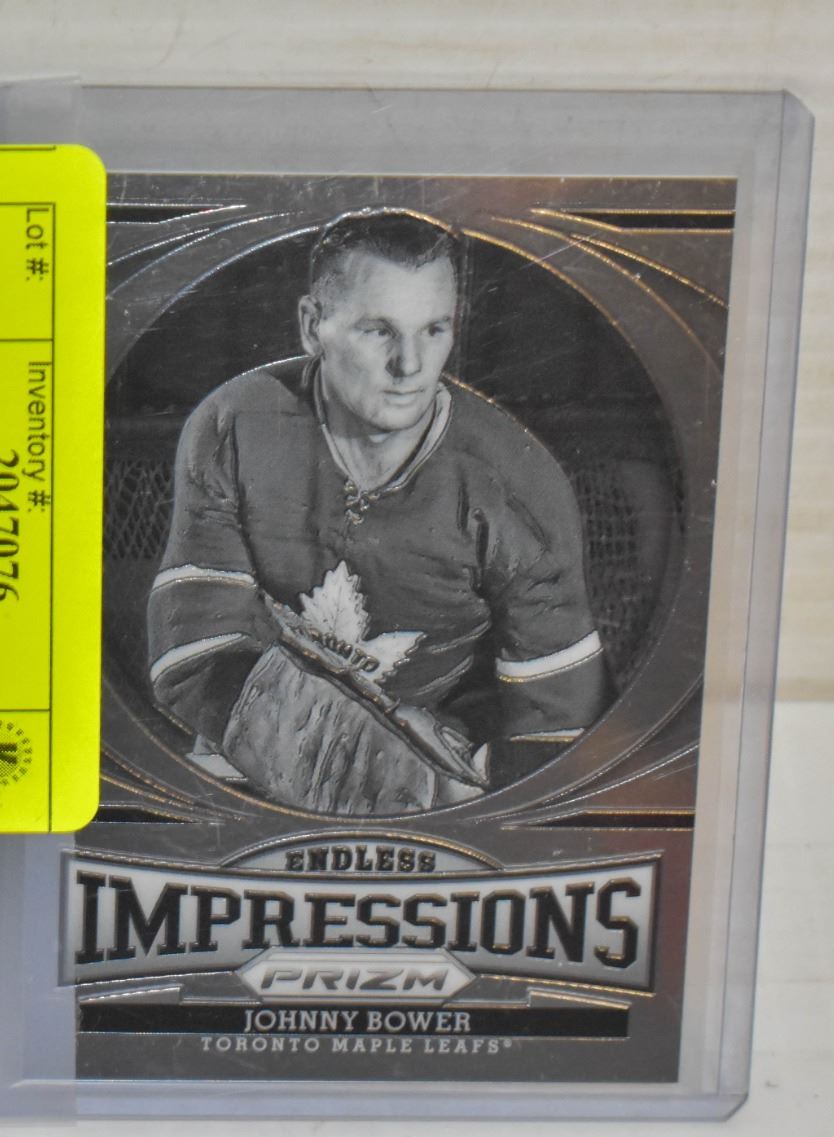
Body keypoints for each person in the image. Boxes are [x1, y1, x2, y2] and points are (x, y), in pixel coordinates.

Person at [147, 209, 609, 816]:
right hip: (253, 743)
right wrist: (371, 773)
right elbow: (196, 658)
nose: (410, 365)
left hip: (442, 767)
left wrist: (446, 785)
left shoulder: (517, 482)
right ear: (313, 326)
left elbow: (558, 731)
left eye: (434, 330)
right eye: (378, 331)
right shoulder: (236, 422)